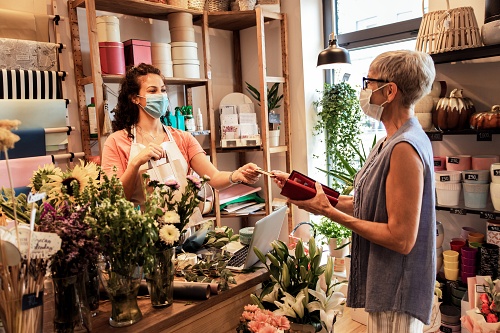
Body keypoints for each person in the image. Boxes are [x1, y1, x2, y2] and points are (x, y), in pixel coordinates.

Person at [273, 50, 436, 332]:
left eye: (368, 83)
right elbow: (365, 203)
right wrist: (308, 189)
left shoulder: (404, 148)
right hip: (385, 284)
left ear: (390, 91)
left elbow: (401, 239)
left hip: (396, 290)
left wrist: (329, 213)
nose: (364, 91)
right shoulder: (390, 140)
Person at [101, 63, 261, 206]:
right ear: (135, 98)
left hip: (182, 229)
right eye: (152, 91)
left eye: (163, 90)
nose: (161, 96)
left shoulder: (183, 138)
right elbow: (113, 198)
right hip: (141, 232)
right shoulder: (116, 141)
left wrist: (236, 175)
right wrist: (135, 164)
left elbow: (214, 177)